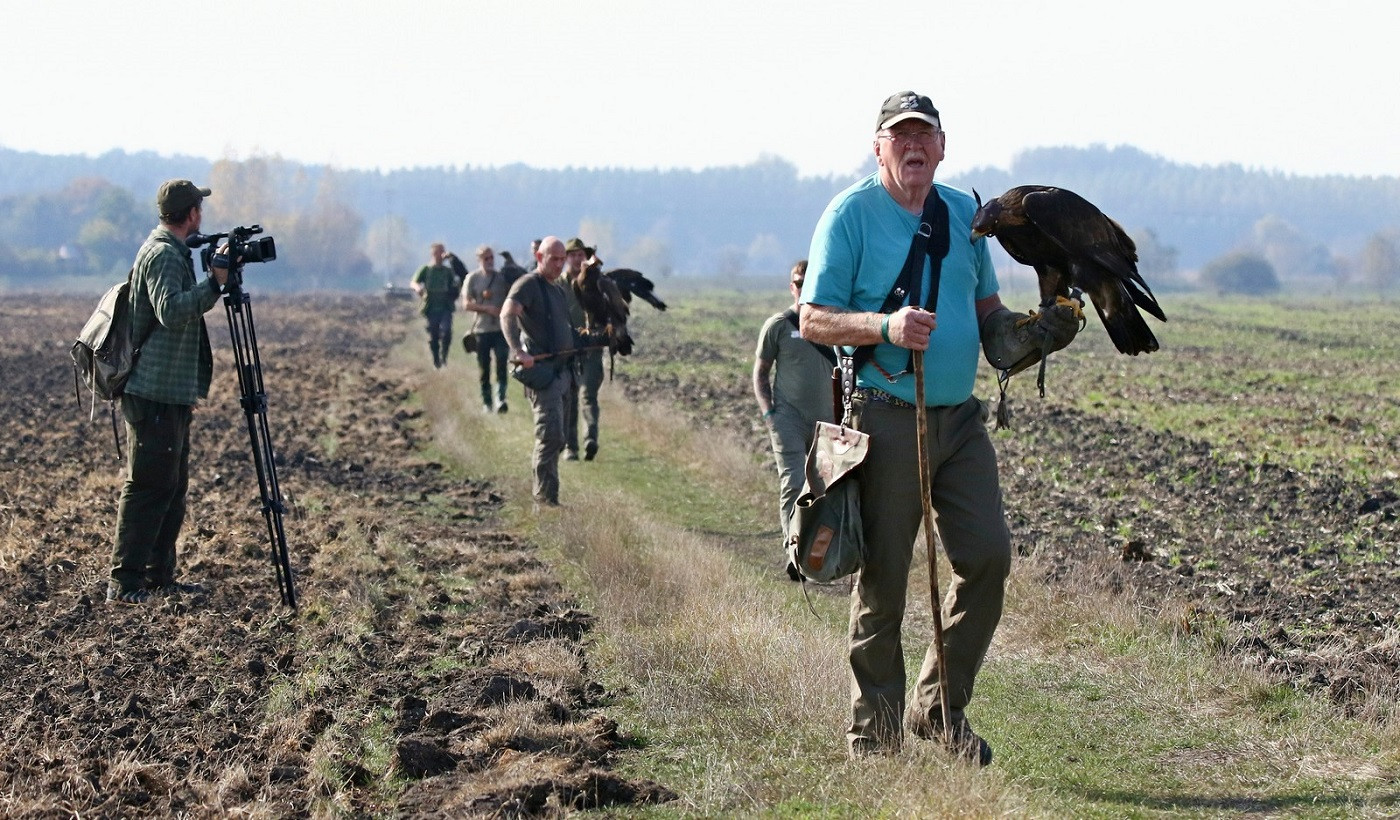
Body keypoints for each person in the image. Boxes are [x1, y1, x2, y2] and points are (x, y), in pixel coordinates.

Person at [800, 92, 1079, 762]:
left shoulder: (964, 215)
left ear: (943, 146)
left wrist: (1037, 331)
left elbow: (989, 319)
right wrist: (885, 326)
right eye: (899, 135)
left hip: (959, 419)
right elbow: (813, 318)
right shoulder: (849, 215)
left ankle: (937, 709)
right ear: (878, 148)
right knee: (885, 581)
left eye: (924, 134)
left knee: (987, 557)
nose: (913, 145)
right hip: (886, 415)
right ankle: (874, 737)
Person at [107, 179, 230, 605]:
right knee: (147, 486)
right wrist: (214, 284)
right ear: (192, 213)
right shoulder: (162, 254)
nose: (202, 215)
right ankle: (124, 583)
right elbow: (171, 310)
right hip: (153, 392)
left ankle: (159, 577)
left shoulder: (173, 251)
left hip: (169, 391)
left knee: (171, 487)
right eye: (200, 209)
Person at [753, 260, 836, 562]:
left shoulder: (833, 326)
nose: (803, 287)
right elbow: (760, 373)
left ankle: (817, 554)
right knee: (793, 483)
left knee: (824, 490)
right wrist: (770, 415)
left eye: (808, 282)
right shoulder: (778, 326)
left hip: (826, 421)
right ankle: (794, 554)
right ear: (792, 287)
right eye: (799, 283)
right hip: (787, 419)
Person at [501, 236, 574, 506]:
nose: (559, 264)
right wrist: (518, 351)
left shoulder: (557, 290)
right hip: (543, 375)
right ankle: (544, 501)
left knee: (559, 438)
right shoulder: (528, 284)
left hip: (563, 374)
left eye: (562, 259)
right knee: (549, 436)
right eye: (554, 259)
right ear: (540, 257)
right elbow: (507, 314)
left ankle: (549, 498)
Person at [557, 237, 628, 461]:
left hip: (592, 344)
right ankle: (570, 447)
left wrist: (614, 332)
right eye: (572, 255)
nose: (577, 259)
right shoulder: (558, 283)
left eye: (581, 255)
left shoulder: (598, 281)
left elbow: (614, 309)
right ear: (566, 258)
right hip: (566, 347)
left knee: (588, 394)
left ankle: (590, 439)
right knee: (569, 397)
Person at [463, 244, 512, 413]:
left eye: (491, 258)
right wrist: (486, 309)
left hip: (500, 329)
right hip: (481, 329)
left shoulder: (501, 278)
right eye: (486, 258)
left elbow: (511, 297)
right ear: (479, 260)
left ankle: (501, 399)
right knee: (484, 368)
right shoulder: (472, 278)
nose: (490, 261)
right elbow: (466, 304)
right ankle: (487, 402)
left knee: (502, 364)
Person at [411, 242, 462, 368]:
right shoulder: (426, 270)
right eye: (440, 252)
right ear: (433, 253)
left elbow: (455, 284)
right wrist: (418, 288)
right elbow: (413, 282)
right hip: (431, 307)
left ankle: (444, 356)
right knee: (433, 335)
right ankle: (436, 360)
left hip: (445, 307)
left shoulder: (448, 271)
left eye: (443, 251)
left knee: (447, 331)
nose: (442, 255)